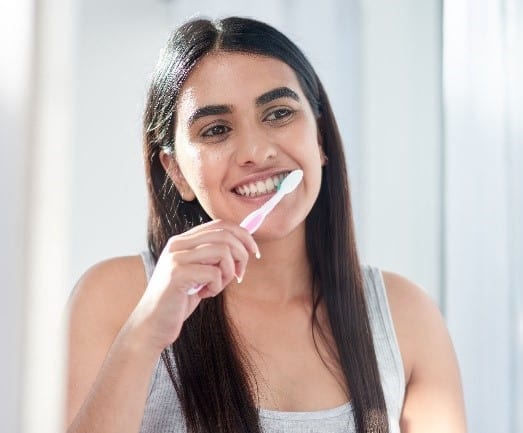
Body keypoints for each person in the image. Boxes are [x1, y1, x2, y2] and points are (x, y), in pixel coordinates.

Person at [65, 16, 467, 433]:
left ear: (321, 138)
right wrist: (144, 334)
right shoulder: (115, 299)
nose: (255, 151)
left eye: (278, 113)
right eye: (216, 129)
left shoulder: (407, 318)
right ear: (177, 172)